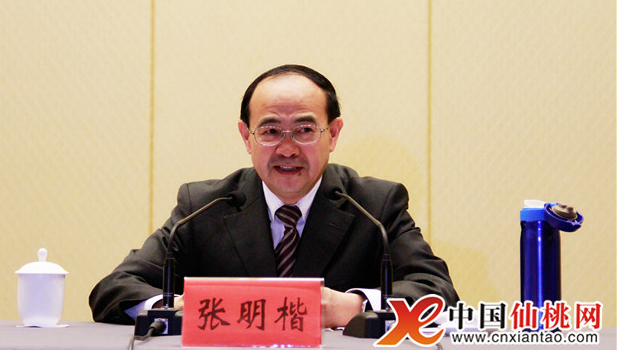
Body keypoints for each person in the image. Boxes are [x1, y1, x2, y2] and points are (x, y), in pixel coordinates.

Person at [89, 64, 459, 328]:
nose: (287, 148)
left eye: (304, 129)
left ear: (333, 134)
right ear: (246, 137)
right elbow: (114, 290)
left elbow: (438, 293)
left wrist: (350, 306)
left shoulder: (375, 205)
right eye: (270, 131)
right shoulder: (203, 207)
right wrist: (176, 309)